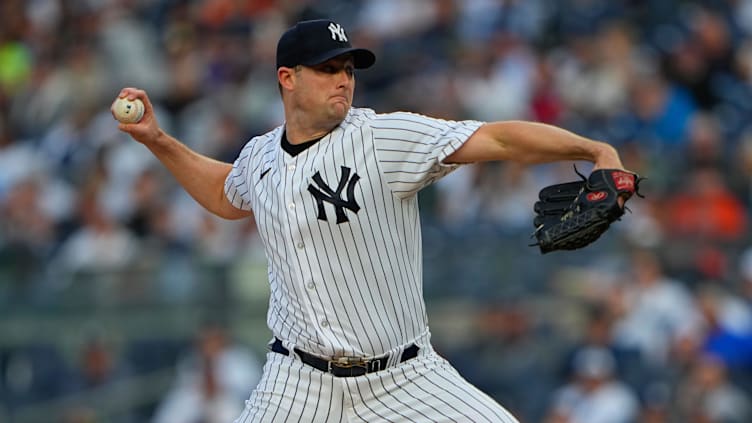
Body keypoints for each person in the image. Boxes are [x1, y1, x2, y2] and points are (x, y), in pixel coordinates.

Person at [114, 18, 634, 423]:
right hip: (297, 380)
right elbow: (228, 197)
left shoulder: (381, 139)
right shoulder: (260, 157)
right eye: (327, 69)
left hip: (404, 378)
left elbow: (496, 138)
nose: (343, 80)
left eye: (348, 69)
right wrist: (157, 140)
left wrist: (592, 148)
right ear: (287, 79)